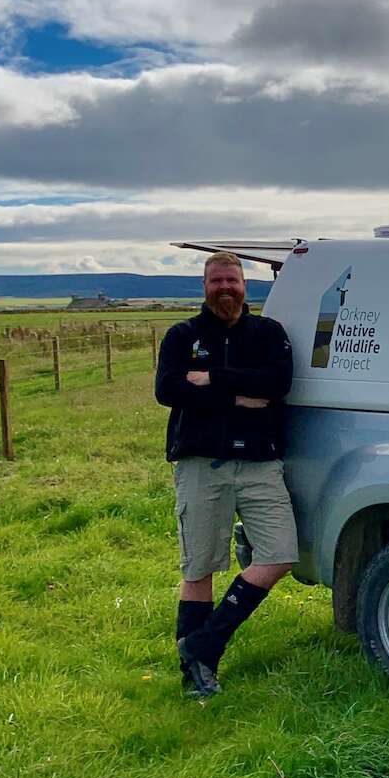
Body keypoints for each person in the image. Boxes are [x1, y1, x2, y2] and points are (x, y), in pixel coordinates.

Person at [153, 252, 297, 697]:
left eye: (232, 280)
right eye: (216, 281)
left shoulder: (269, 333)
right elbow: (167, 390)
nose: (225, 288)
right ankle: (196, 675)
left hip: (260, 463)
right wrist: (237, 397)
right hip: (201, 463)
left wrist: (210, 379)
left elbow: (277, 383)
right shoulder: (182, 335)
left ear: (244, 285)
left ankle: (204, 644)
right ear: (204, 286)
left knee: (279, 555)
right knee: (200, 566)